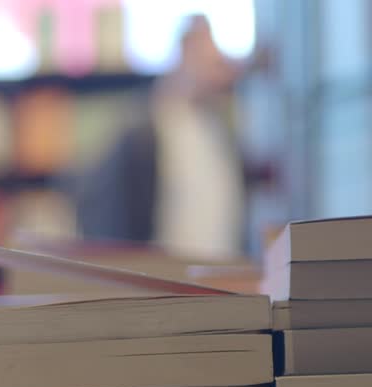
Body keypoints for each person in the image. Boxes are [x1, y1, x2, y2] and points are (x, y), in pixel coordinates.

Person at [73, 15, 256, 262]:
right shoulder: (143, 131)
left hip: (221, 275)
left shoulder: (218, 130)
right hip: (161, 280)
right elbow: (105, 211)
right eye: (208, 59)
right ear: (185, 53)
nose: (217, 72)